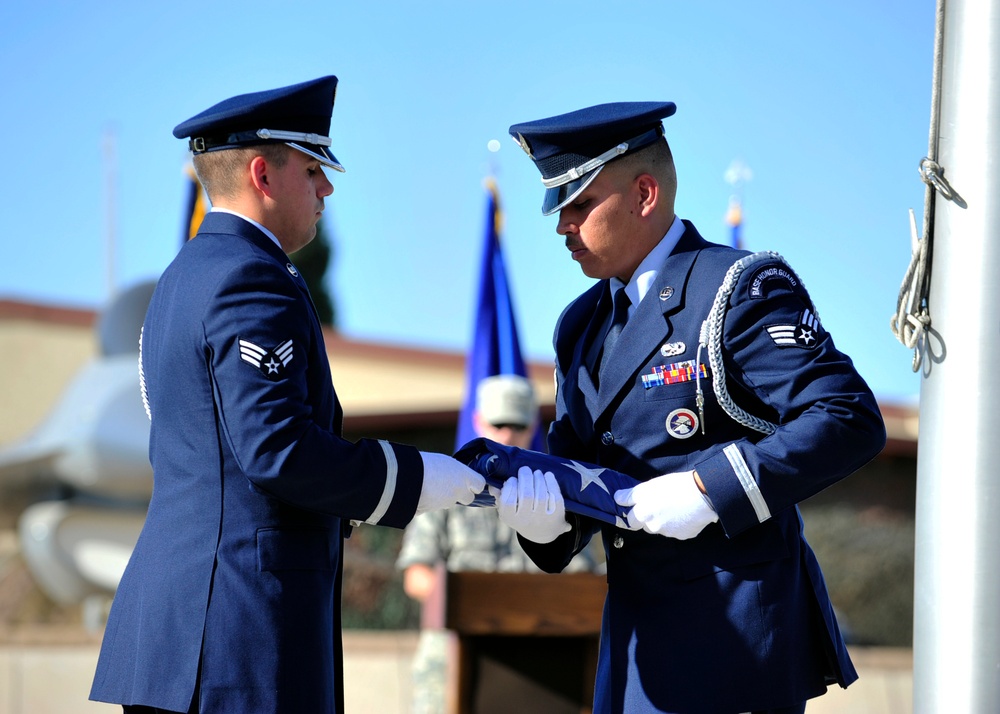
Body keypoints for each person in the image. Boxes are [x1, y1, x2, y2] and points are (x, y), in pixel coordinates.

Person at [88, 76, 485, 714]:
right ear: (262, 175)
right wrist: (416, 477)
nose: (327, 187)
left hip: (184, 635)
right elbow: (277, 450)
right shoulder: (252, 279)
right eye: (312, 168)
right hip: (236, 638)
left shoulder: (181, 279)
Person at [490, 102, 887, 714]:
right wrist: (545, 524)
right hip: (634, 646)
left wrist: (709, 489)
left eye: (577, 204)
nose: (561, 225)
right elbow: (580, 467)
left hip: (731, 639)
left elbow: (845, 417)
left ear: (644, 193)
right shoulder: (582, 325)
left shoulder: (737, 288)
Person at [397, 374, 600, 714]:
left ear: (533, 426)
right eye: (498, 424)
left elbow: (584, 585)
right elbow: (416, 575)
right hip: (452, 662)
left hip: (541, 667)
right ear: (478, 421)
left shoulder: (557, 498)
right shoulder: (445, 492)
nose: (508, 435)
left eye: (518, 425)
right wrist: (473, 598)